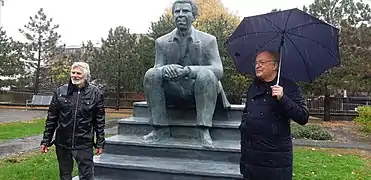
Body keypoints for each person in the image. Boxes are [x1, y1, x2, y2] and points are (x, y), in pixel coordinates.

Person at [142, 0, 230, 147]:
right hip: (175, 90)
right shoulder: (162, 42)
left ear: (194, 16)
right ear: (173, 16)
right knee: (151, 74)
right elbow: (157, 67)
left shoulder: (208, 40)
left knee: (207, 74)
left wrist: (189, 71)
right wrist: (165, 69)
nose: (180, 15)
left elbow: (218, 70)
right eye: (177, 11)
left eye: (185, 11)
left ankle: (203, 130)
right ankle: (160, 129)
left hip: (200, 88)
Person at [239, 51, 309, 180]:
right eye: (256, 63)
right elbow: (247, 112)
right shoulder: (253, 87)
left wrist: (283, 98)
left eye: (262, 62)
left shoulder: (289, 86)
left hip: (275, 161)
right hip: (251, 159)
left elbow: (303, 117)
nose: (257, 66)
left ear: (275, 66)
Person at [40, 62, 105, 180]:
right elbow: (51, 118)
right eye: (73, 73)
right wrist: (46, 141)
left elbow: (99, 121)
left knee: (86, 176)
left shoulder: (95, 93)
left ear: (85, 75)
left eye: (78, 73)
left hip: (84, 143)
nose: (75, 75)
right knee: (65, 175)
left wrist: (100, 143)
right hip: (63, 143)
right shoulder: (60, 91)